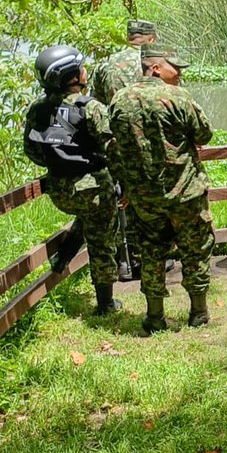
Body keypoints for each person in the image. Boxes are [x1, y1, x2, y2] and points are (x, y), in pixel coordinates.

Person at [108, 45, 215, 335]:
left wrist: (127, 185)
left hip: (144, 197)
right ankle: (198, 312)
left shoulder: (118, 101)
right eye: (174, 67)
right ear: (155, 68)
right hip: (185, 192)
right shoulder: (177, 97)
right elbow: (204, 133)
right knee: (195, 249)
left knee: (151, 252)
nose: (179, 72)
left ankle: (155, 317)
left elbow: (114, 147)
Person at [23, 45, 120, 316]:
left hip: (58, 190)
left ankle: (62, 259)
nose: (86, 70)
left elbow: (31, 150)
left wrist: (59, 163)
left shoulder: (37, 109)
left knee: (87, 217)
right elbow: (114, 148)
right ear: (72, 75)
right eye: (81, 67)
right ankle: (106, 303)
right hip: (93, 189)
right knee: (102, 242)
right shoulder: (90, 107)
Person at [91, 19, 158, 280]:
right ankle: (149, 259)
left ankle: (122, 261)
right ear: (151, 39)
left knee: (119, 200)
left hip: (115, 144)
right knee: (147, 200)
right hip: (147, 143)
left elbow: (95, 105)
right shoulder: (154, 62)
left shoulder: (105, 64)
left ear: (129, 36)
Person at [92, 20, 157, 105]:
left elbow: (96, 101)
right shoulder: (157, 63)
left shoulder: (105, 62)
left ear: (128, 38)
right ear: (152, 40)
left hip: (114, 116)